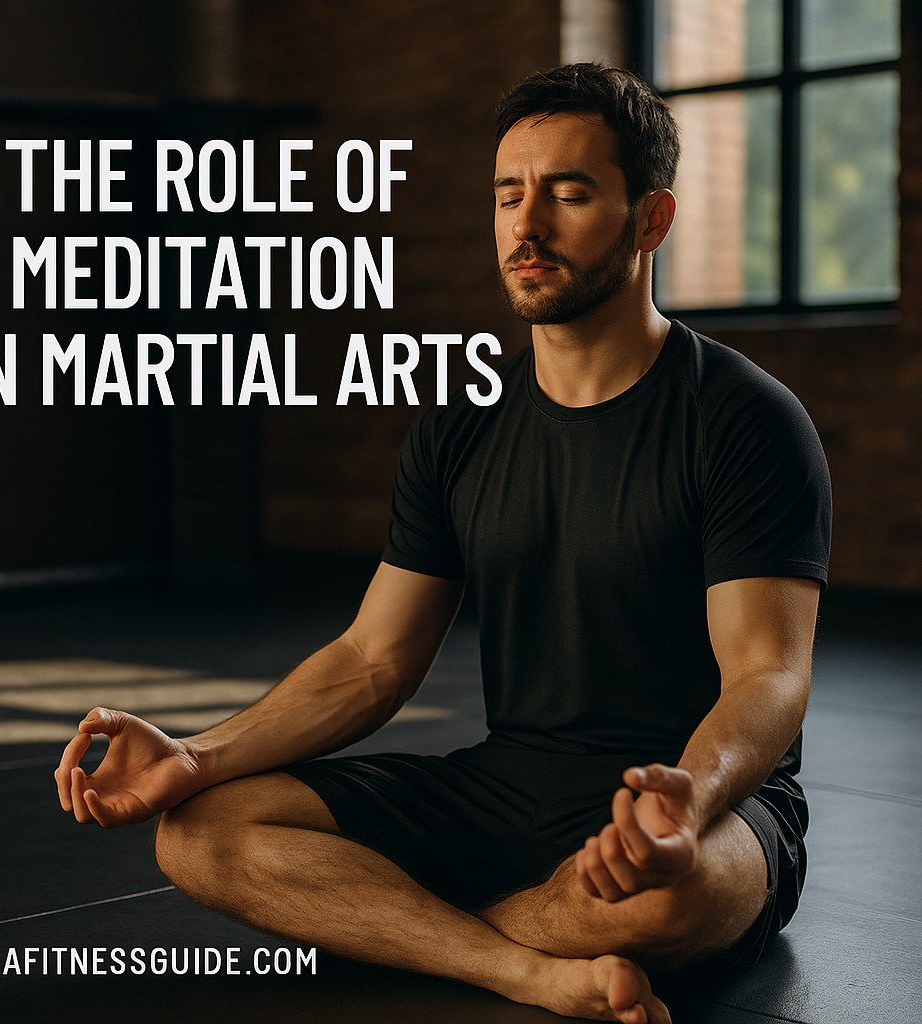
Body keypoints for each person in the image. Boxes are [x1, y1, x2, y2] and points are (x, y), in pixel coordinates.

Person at [55, 63, 830, 1024]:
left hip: (696, 807)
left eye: (569, 193)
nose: (526, 225)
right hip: (508, 785)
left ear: (651, 221)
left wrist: (687, 800)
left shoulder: (746, 420)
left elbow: (767, 677)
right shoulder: (462, 422)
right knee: (199, 834)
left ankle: (414, 925)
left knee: (674, 896)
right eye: (509, 194)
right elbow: (373, 661)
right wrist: (200, 756)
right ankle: (525, 965)